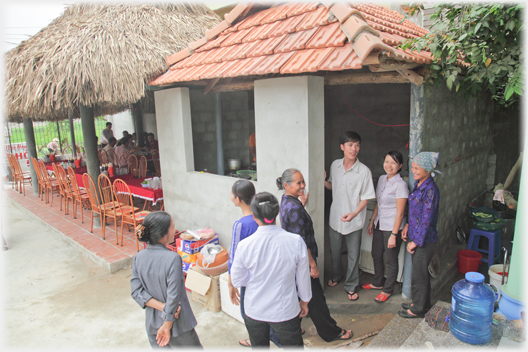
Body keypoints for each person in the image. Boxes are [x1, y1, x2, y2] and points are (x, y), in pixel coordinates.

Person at [278, 169, 353, 342]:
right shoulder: (294, 208)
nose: (303, 185)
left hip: (293, 261)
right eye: (299, 183)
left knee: (297, 295)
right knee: (315, 298)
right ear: (286, 185)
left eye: (303, 181)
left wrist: (301, 205)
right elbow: (301, 241)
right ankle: (330, 332)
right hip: (302, 261)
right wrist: (312, 265)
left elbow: (293, 223)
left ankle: (293, 329)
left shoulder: (287, 202)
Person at [231, 192, 311, 348]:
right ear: (277, 213)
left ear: (253, 216)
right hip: (285, 310)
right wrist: (304, 301)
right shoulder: (295, 241)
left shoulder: (245, 246)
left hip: (254, 309)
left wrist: (255, 279)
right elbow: (303, 278)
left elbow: (237, 280)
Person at [131, 211, 202, 348]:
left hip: (153, 323)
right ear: (163, 233)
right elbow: (173, 295)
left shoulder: (139, 257)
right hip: (176, 326)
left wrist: (161, 307)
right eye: (172, 227)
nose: (174, 229)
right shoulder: (173, 259)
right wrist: (167, 323)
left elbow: (136, 292)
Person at [227, 180, 281, 348]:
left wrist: (231, 284)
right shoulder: (265, 219)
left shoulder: (240, 225)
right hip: (270, 275)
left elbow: (234, 259)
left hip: (250, 280)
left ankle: (267, 340)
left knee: (248, 314)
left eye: (231, 194)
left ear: (238, 199)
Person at [324, 131, 375, 301]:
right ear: (342, 147)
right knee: (335, 251)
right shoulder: (335, 165)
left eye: (357, 145)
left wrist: (354, 213)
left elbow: (366, 197)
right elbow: (333, 186)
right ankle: (337, 275)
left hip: (355, 221)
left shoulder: (364, 171)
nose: (354, 149)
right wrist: (322, 181)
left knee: (354, 255)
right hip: (335, 218)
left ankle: (351, 285)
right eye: (350, 145)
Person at [399, 152, 441, 319]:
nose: (413, 171)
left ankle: (417, 309)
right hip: (416, 236)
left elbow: (426, 219)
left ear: (427, 169)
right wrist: (407, 226)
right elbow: (415, 212)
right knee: (420, 273)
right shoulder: (419, 184)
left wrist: (415, 242)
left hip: (425, 240)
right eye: (413, 167)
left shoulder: (430, 190)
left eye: (417, 168)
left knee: (419, 275)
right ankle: (423, 304)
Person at [365, 151, 409, 302]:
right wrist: (372, 221)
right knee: (376, 253)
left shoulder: (401, 185)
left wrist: (394, 235)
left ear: (400, 166)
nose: (389, 165)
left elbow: (400, 213)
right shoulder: (382, 179)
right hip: (380, 223)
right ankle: (377, 282)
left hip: (392, 227)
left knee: (391, 259)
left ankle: (388, 289)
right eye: (387, 161)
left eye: (393, 163)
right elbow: (379, 202)